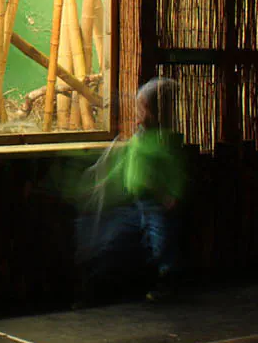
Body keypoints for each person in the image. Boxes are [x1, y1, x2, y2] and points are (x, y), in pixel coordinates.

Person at [74, 78, 188, 302]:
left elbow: (177, 172)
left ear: (155, 114)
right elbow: (125, 165)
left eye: (141, 110)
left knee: (161, 242)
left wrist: (173, 194)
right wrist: (102, 183)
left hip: (156, 203)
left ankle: (168, 281)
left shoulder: (164, 142)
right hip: (137, 201)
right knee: (132, 239)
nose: (137, 114)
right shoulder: (139, 139)